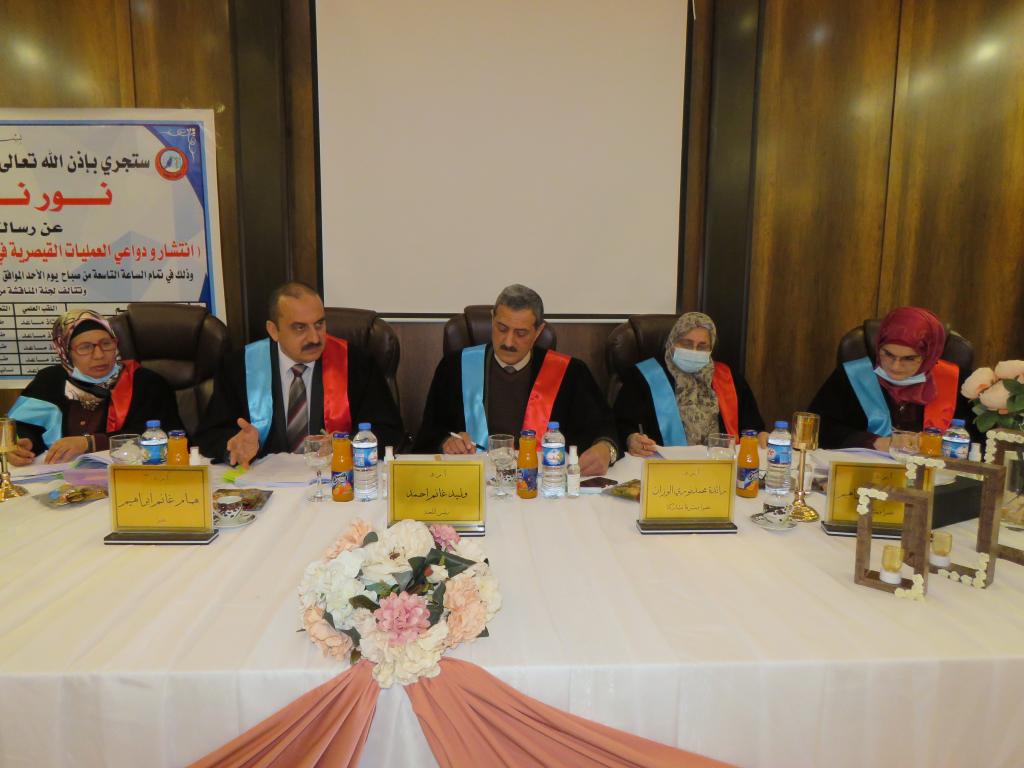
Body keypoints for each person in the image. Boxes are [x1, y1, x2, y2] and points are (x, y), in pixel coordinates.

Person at [414, 284, 620, 475]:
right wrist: (446, 442)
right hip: (471, 481)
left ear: (538, 331)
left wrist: (606, 449)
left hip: (544, 484)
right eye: (502, 328)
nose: (508, 342)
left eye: (521, 333)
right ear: (492, 319)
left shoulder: (570, 373)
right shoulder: (454, 368)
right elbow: (428, 433)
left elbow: (606, 428)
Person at [195, 282, 403, 466]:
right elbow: (209, 436)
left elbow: (390, 432)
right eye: (300, 328)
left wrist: (346, 444)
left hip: (334, 481)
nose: (314, 338)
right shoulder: (239, 366)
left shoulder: (357, 364)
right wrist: (234, 446)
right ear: (273, 330)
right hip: (263, 483)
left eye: (319, 324)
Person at [7, 309, 182, 465]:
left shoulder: (146, 382)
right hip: (56, 476)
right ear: (66, 352)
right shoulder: (50, 380)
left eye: (106, 344)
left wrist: (89, 443)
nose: (99, 355)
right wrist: (25, 444)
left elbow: (164, 435)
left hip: (125, 474)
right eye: (85, 347)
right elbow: (25, 427)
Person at [808, 306, 976, 449]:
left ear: (929, 355)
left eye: (909, 358)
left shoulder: (958, 382)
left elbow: (978, 443)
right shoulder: (852, 376)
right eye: (888, 354)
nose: (895, 366)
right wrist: (876, 442)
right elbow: (819, 429)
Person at [614, 312, 767, 456]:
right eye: (687, 344)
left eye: (702, 346)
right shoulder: (643, 376)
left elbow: (752, 426)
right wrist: (630, 439)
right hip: (664, 464)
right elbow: (620, 424)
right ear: (672, 342)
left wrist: (760, 435)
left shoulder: (730, 378)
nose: (694, 351)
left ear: (711, 349)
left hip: (721, 462)